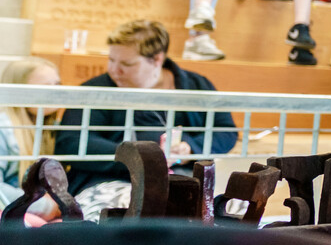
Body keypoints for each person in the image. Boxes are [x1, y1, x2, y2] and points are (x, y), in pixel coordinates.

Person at [57, 20, 238, 192]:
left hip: (182, 179)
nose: (114, 70)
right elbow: (70, 142)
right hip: (108, 180)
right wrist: (136, 157)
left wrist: (190, 147)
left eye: (127, 64)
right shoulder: (94, 89)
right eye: (111, 60)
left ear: (157, 59)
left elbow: (225, 132)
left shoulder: (196, 84)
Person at [0, 57, 63, 207]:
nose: (56, 93)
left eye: (58, 85)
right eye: (46, 87)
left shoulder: (55, 128)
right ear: (18, 91)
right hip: (13, 212)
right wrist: (43, 204)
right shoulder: (5, 127)